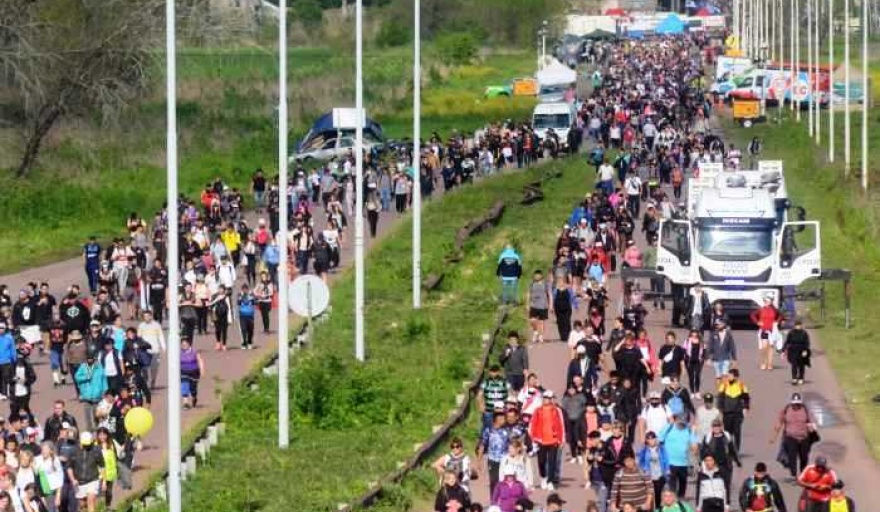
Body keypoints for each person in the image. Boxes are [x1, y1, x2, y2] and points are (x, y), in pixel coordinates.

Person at [770, 392, 817, 479]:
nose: (796, 405)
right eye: (794, 404)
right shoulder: (786, 409)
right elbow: (779, 423)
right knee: (792, 457)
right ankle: (794, 475)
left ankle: (803, 474)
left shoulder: (805, 409)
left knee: (804, 457)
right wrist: (774, 437)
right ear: (791, 403)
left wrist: (812, 427)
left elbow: (812, 421)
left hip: (804, 438)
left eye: (798, 404)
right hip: (790, 437)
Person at [528, 390, 565, 491]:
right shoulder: (538, 410)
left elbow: (561, 425)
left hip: (553, 440)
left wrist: (561, 439)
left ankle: (550, 481)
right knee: (541, 461)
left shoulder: (557, 410)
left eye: (548, 398)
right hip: (541, 440)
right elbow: (532, 424)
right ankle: (543, 477)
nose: (546, 400)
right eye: (545, 398)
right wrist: (533, 438)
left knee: (552, 461)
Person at [68, 432, 104, 512]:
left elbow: (102, 465)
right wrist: (73, 479)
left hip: (92, 479)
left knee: (91, 501)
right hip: (79, 482)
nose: (86, 447)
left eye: (88, 444)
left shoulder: (96, 450)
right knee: (82, 505)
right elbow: (69, 467)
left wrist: (103, 480)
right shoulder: (73, 451)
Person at [478, 411, 511, 497]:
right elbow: (482, 445)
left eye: (504, 418)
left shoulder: (507, 431)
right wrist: (479, 460)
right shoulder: (488, 431)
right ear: (496, 420)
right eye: (502, 418)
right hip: (492, 460)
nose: (504, 420)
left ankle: (505, 499)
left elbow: (512, 444)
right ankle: (494, 501)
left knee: (505, 480)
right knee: (493, 481)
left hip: (505, 460)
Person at [716, 369, 749, 454]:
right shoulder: (724, 385)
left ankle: (736, 451)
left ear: (736, 377)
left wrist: (745, 408)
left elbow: (746, 398)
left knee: (737, 432)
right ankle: (728, 450)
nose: (728, 377)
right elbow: (720, 398)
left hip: (738, 413)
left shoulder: (741, 386)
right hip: (727, 413)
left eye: (730, 375)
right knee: (727, 433)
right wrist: (720, 409)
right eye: (728, 375)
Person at [74, 354, 106, 432]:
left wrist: (105, 391)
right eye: (88, 359)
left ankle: (98, 427)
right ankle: (89, 428)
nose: (90, 360)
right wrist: (86, 377)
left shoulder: (99, 367)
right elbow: (77, 377)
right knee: (87, 414)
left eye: (91, 359)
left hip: (97, 394)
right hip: (86, 395)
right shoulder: (83, 367)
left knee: (97, 413)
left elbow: (103, 379)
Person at [636, 431, 668, 507]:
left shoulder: (661, 449)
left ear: (655, 439)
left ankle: (658, 509)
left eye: (652, 438)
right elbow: (640, 461)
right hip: (649, 475)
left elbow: (666, 459)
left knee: (658, 494)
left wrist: (667, 470)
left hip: (660, 475)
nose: (651, 440)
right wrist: (643, 470)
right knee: (649, 495)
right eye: (649, 439)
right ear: (647, 440)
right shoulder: (644, 450)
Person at [750, 296, 781, 371]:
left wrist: (777, 322)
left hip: (772, 330)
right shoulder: (761, 309)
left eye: (768, 301)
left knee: (770, 347)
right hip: (764, 329)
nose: (767, 303)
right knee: (764, 347)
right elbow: (752, 315)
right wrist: (757, 322)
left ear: (771, 302)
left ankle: (770, 364)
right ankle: (763, 362)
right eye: (765, 301)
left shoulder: (774, 310)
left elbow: (781, 315)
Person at [35, 441, 64, 512]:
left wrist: (58, 495)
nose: (43, 451)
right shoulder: (37, 459)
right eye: (42, 449)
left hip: (51, 491)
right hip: (40, 491)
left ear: (51, 451)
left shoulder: (55, 460)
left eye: (46, 449)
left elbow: (60, 478)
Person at [782, 320, 811, 386]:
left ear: (801, 325)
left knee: (801, 365)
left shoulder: (804, 333)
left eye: (799, 325)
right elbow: (787, 342)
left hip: (801, 350)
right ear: (795, 326)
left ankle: (801, 378)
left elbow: (807, 343)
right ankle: (794, 378)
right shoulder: (791, 333)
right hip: (793, 351)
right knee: (794, 365)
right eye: (797, 325)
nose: (798, 326)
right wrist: (783, 350)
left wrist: (805, 350)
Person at [180, 337, 205, 409]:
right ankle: (185, 402)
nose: (184, 346)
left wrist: (202, 370)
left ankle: (194, 397)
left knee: (193, 388)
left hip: (194, 372)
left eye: (185, 344)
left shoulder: (194, 352)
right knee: (184, 385)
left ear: (189, 344)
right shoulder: (180, 353)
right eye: (182, 344)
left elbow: (200, 360)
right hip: (184, 371)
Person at [528, 271, 551, 344]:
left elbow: (549, 294)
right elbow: (528, 293)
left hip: (543, 305)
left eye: (538, 275)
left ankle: (541, 336)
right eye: (535, 275)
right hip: (533, 305)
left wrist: (551, 305)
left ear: (541, 275)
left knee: (541, 322)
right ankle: (535, 332)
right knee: (532, 321)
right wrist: (527, 303)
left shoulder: (545, 284)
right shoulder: (532, 284)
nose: (536, 277)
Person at [237, 284, 256, 350]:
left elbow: (254, 302)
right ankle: (244, 343)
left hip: (250, 315)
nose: (245, 291)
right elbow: (238, 302)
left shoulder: (251, 295)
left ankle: (250, 342)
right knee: (243, 329)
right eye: (243, 289)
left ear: (248, 290)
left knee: (250, 330)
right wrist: (242, 296)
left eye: (246, 289)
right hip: (242, 315)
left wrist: (251, 297)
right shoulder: (240, 295)